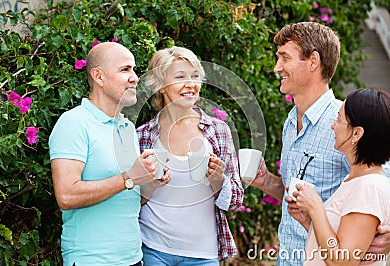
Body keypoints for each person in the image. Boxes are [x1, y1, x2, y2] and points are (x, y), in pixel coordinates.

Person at [249, 22, 390, 265]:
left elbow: (379, 187)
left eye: (285, 58)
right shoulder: (291, 122)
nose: (276, 68)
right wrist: (267, 182)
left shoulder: (347, 126)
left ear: (313, 61)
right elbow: (297, 196)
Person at [49, 42, 164, 266]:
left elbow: (128, 197)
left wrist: (151, 183)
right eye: (125, 70)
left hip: (133, 259)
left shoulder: (128, 128)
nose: (135, 77)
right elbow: (66, 196)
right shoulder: (74, 122)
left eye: (134, 69)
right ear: (98, 76)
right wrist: (129, 178)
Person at [136, 46, 244, 265]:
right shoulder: (142, 135)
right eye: (180, 77)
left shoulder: (217, 131)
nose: (191, 84)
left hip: (203, 254)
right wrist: (150, 184)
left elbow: (236, 200)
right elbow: (131, 200)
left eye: (195, 76)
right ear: (162, 86)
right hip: (152, 249)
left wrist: (218, 181)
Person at [290, 88, 390, 265]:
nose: (332, 126)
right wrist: (310, 221)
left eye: (338, 120)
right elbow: (336, 241)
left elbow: (342, 261)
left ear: (357, 134)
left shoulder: (369, 188)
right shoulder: (354, 181)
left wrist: (316, 208)